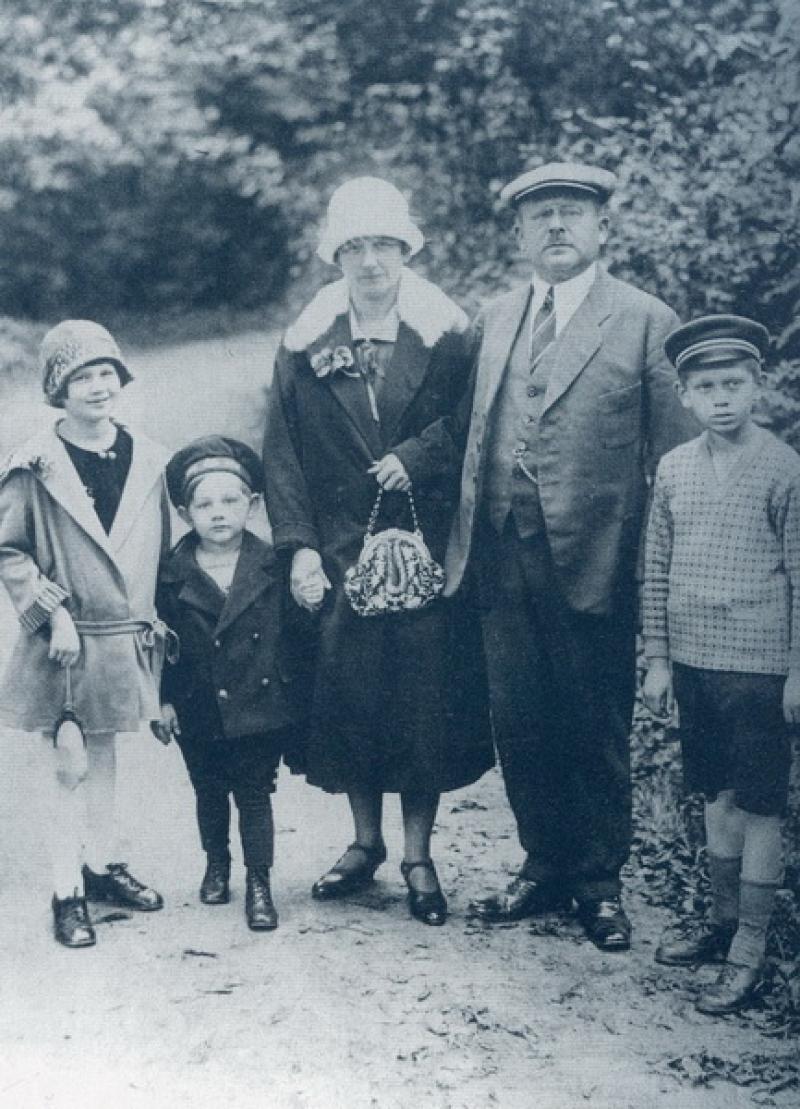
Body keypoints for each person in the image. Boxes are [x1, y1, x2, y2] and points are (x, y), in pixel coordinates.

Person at [445, 162, 694, 951]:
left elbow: (677, 462)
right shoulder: (493, 318)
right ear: (519, 234)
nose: (557, 225)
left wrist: (663, 575)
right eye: (541, 215)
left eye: (573, 213)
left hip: (597, 555)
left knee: (593, 719)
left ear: (602, 228)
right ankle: (543, 862)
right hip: (500, 550)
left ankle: (598, 881)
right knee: (519, 718)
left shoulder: (646, 320)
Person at [263, 176, 493, 927]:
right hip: (340, 547)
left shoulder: (447, 336)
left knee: (421, 700)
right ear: (336, 257)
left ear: (406, 251)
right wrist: (298, 547)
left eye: (384, 246)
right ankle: (365, 842)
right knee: (352, 694)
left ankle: (419, 855)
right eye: (355, 247)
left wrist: (417, 456)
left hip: (422, 547)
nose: (370, 262)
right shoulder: (305, 344)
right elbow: (282, 453)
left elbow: (475, 424)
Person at [643, 315, 800, 1014]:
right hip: (693, 663)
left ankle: (751, 950)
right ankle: (721, 920)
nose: (722, 398)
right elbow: (655, 569)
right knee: (715, 795)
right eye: (706, 388)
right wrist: (657, 658)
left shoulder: (785, 468)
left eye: (733, 383)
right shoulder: (674, 468)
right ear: (685, 396)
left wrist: (797, 670)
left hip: (759, 668)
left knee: (760, 803)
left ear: (757, 385)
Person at [0, 320, 170, 948]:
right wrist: (53, 612)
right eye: (82, 378)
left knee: (105, 758)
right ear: (58, 390)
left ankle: (100, 863)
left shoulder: (147, 457)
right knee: (65, 766)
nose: (98, 387)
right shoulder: (35, 464)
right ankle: (66, 890)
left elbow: (160, 550)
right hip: (65, 641)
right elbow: (9, 550)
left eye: (107, 373)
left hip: (121, 638)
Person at [156, 436, 308, 931]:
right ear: (185, 513)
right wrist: (164, 700)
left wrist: (290, 696)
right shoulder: (171, 573)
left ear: (254, 504)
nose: (218, 513)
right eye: (204, 505)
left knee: (254, 794)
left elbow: (295, 637)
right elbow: (161, 645)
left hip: (258, 704)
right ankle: (216, 863)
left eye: (230, 500)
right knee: (208, 790)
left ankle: (259, 881)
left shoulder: (273, 565)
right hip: (197, 703)